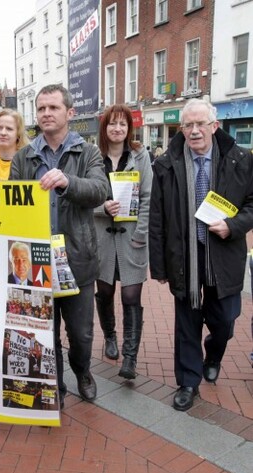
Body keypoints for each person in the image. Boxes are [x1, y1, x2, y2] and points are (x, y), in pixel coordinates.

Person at [149, 98, 253, 412]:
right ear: (182, 129)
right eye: (188, 125)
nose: (195, 131)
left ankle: (214, 353)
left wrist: (232, 226)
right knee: (187, 323)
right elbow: (157, 217)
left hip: (224, 253)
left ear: (214, 126)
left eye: (201, 124)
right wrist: (159, 266)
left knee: (226, 320)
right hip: (185, 255)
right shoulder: (166, 164)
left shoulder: (240, 159)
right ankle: (188, 382)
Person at [10, 84, 108, 406]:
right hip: (36, 260)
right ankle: (56, 386)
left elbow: (99, 190)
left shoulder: (88, 152)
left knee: (81, 333)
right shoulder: (24, 157)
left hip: (77, 259)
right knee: (44, 332)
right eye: (41, 108)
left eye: (53, 107)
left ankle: (83, 371)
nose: (46, 114)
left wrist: (68, 182)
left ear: (70, 112)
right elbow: (13, 205)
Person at [93, 105, 153, 379]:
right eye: (112, 123)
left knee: (131, 296)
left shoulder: (140, 156)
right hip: (101, 239)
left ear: (129, 128)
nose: (117, 129)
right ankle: (110, 336)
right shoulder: (93, 157)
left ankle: (130, 358)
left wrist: (141, 233)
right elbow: (84, 197)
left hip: (132, 238)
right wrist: (102, 208)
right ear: (104, 127)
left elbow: (148, 197)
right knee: (105, 292)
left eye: (123, 124)